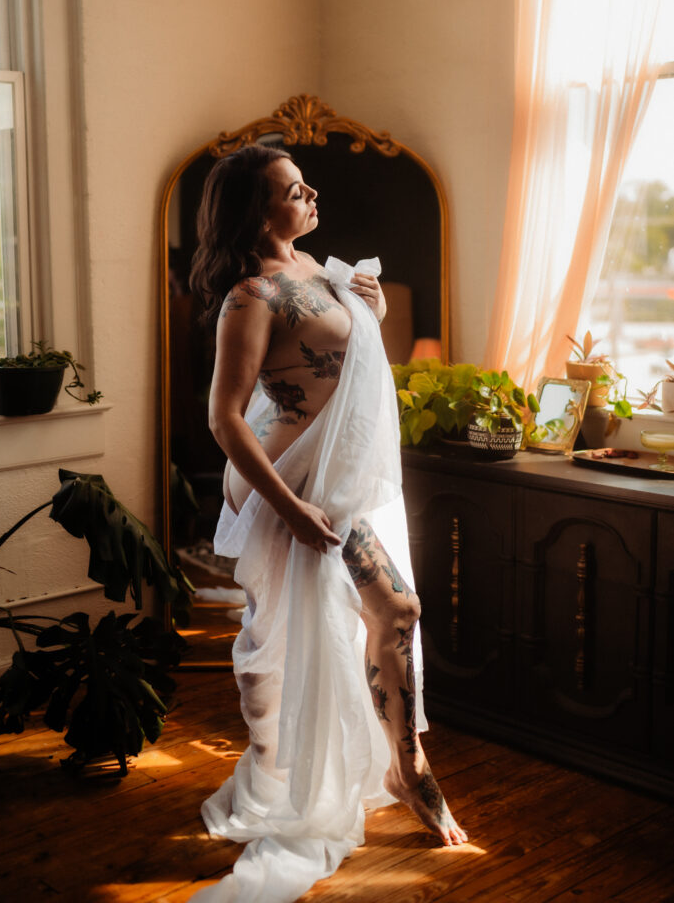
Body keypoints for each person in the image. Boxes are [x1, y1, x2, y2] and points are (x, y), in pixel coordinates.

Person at [188, 144, 466, 903]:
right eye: (290, 188)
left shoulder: (314, 269)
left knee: (373, 618)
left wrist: (366, 313)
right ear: (256, 209)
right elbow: (225, 419)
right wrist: (290, 506)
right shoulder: (250, 297)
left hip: (338, 479)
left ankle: (396, 767)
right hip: (295, 485)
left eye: (304, 184)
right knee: (383, 612)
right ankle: (403, 772)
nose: (310, 192)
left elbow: (343, 365)